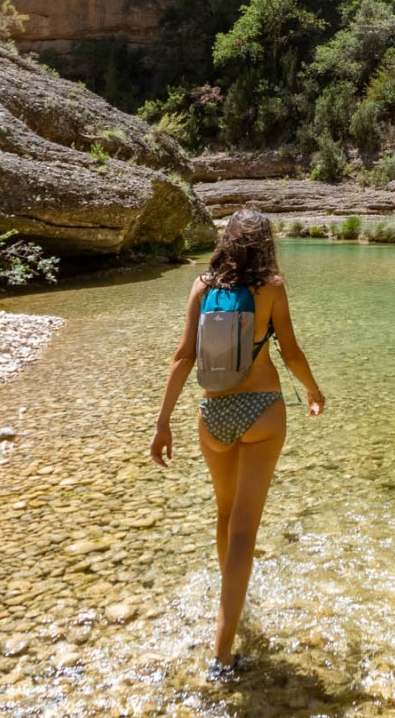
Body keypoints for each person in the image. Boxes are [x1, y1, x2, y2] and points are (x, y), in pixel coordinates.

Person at [151, 208, 325, 673]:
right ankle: (222, 651)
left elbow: (183, 356)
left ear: (225, 240)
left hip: (213, 415)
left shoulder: (203, 286)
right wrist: (312, 388)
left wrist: (162, 422)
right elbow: (289, 351)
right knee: (246, 528)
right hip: (263, 411)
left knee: (225, 515)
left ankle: (231, 605)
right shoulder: (271, 287)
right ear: (266, 243)